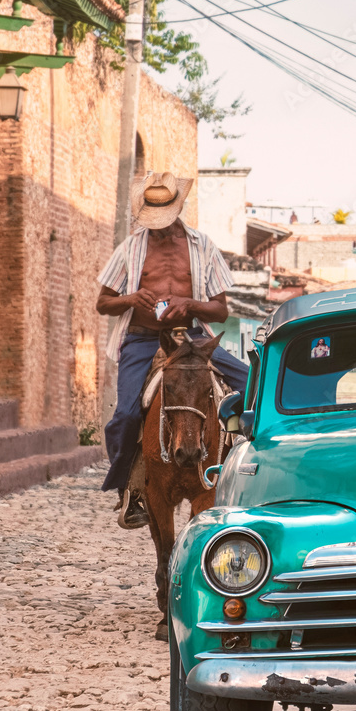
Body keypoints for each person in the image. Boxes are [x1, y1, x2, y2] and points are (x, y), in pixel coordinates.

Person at [96, 171, 248, 527]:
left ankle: (243, 473)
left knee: (252, 384)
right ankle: (129, 492)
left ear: (177, 209)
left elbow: (220, 309)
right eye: (152, 219)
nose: (159, 227)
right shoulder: (131, 248)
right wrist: (131, 298)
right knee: (127, 416)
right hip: (142, 340)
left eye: (164, 218)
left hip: (191, 338)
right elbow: (103, 303)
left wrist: (189, 304)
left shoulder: (202, 246)